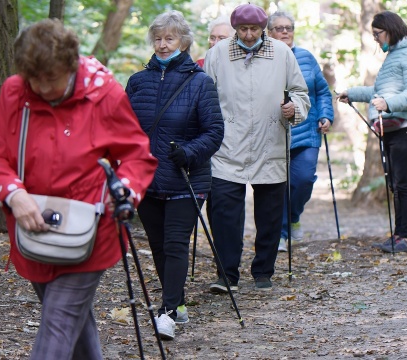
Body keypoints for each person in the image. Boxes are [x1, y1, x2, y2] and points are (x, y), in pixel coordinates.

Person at [0, 19, 157, 360]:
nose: (42, 87)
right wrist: (15, 195)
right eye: (35, 79)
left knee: (59, 321)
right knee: (72, 321)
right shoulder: (16, 92)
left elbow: (137, 155)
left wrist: (126, 191)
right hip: (34, 227)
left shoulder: (103, 94)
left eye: (51, 78)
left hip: (91, 230)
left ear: (71, 66)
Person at [125, 10, 224, 340]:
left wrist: (189, 152)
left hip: (186, 178)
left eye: (169, 38)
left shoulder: (200, 82)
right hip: (147, 179)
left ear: (183, 42)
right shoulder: (138, 82)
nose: (163, 44)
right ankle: (177, 302)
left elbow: (214, 131)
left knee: (176, 242)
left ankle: (167, 313)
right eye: (158, 38)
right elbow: (123, 129)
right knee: (157, 245)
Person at [203, 3, 310, 292]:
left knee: (270, 213)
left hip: (270, 140)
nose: (249, 35)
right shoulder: (217, 54)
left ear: (263, 28)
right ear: (235, 28)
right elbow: (206, 96)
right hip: (227, 145)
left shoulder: (282, 53)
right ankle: (226, 275)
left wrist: (294, 109)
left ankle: (263, 271)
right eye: (243, 29)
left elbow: (300, 93)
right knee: (224, 213)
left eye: (254, 29)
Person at [337, 10, 407, 253]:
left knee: (405, 184)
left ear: (391, 29)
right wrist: (353, 94)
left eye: (378, 34)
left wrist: (389, 104)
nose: (376, 39)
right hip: (393, 129)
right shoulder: (395, 55)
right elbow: (379, 91)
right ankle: (399, 235)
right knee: (396, 184)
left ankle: (406, 239)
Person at [267, 11, 334, 252]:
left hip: (307, 133)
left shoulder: (306, 57)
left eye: (289, 28)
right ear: (269, 32)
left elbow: (323, 92)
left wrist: (326, 115)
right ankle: (282, 234)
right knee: (277, 187)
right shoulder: (265, 58)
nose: (285, 32)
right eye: (279, 28)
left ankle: (293, 216)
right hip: (274, 133)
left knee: (303, 181)